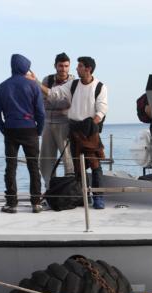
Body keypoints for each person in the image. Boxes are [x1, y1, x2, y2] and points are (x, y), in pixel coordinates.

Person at [32, 56, 108, 209]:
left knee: (95, 164)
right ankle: (81, 196)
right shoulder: (73, 85)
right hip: (73, 129)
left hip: (90, 130)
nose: (75, 68)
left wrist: (92, 123)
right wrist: (36, 82)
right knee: (77, 166)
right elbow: (54, 94)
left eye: (79, 66)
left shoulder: (100, 86)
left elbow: (101, 110)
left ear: (88, 69)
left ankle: (98, 198)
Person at [0, 54, 45, 213]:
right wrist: (39, 131)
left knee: (11, 167)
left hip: (10, 130)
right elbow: (41, 113)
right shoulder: (33, 86)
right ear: (25, 68)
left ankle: (11, 203)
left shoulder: (2, 86)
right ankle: (36, 203)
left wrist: (4, 129)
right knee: (34, 167)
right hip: (30, 130)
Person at [40, 52, 74, 187]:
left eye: (66, 66)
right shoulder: (46, 80)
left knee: (68, 159)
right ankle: (49, 189)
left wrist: (52, 99)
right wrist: (59, 101)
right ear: (55, 66)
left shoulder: (74, 83)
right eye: (61, 66)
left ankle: (69, 188)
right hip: (47, 124)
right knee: (46, 160)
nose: (63, 69)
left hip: (65, 124)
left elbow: (69, 103)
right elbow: (42, 102)